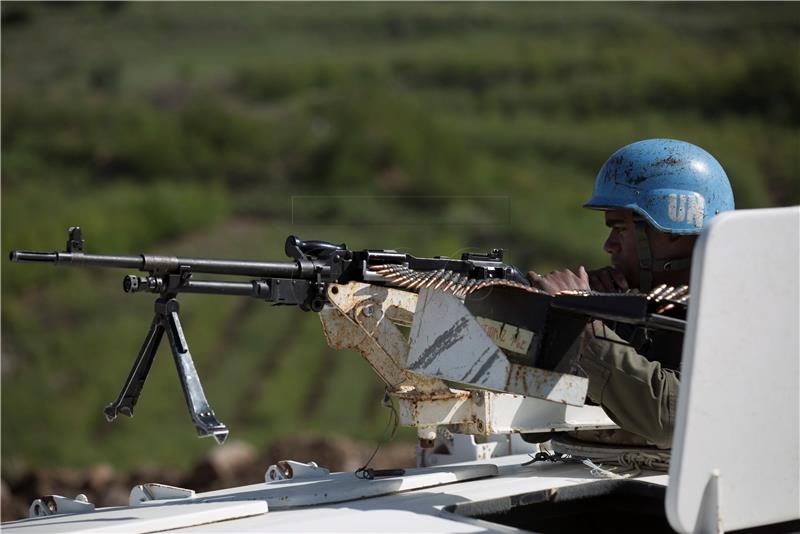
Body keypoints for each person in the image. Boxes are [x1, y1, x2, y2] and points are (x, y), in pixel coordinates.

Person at [528, 139, 735, 448]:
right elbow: (536, 429)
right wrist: (560, 320)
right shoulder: (661, 306)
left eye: (621, 229)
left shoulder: (736, 309)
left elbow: (672, 419)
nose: (608, 246)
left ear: (673, 234)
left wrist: (583, 326)